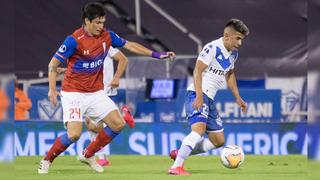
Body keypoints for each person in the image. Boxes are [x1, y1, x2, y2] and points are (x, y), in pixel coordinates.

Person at [38, 2, 175, 174]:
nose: (101, 26)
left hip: (95, 92)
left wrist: (158, 54)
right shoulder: (73, 40)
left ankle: (88, 154)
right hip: (74, 93)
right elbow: (53, 64)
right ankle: (47, 159)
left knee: (118, 124)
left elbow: (130, 45)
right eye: (97, 22)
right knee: (74, 134)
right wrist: (52, 89)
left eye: (103, 22)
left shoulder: (107, 36)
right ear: (87, 21)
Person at [168, 18, 249, 175]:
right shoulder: (212, 48)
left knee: (218, 141)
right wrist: (199, 96)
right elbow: (197, 71)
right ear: (227, 36)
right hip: (197, 94)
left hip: (209, 98)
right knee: (198, 130)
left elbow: (230, 74)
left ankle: (181, 152)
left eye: (242, 39)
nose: (240, 43)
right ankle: (176, 166)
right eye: (238, 38)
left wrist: (238, 97)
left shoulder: (234, 54)